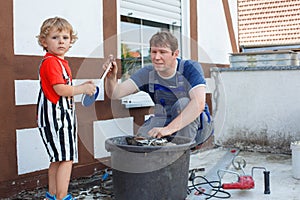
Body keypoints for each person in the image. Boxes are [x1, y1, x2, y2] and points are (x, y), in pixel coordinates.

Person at [105, 31, 211, 143]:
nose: (156, 57)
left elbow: (198, 104)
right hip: (164, 120)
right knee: (141, 140)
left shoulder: (190, 68)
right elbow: (115, 93)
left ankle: (181, 153)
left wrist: (168, 129)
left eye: (162, 52)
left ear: (175, 54)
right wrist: (111, 78)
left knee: (183, 103)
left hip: (198, 126)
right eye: (153, 52)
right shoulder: (147, 73)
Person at [36, 17, 96, 200]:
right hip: (57, 118)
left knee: (57, 158)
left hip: (60, 117)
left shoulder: (60, 63)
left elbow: (65, 87)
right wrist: (82, 89)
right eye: (55, 37)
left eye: (65, 37)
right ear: (44, 42)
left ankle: (53, 196)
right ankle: (61, 197)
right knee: (66, 159)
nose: (61, 41)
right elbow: (60, 89)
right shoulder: (51, 62)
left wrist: (81, 86)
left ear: (71, 41)